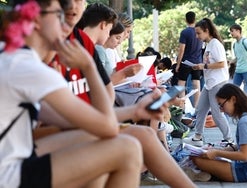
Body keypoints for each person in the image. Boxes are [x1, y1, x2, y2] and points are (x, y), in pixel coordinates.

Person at [47, 2, 196, 187]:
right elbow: (64, 117)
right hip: (58, 134)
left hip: (80, 124)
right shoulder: (44, 51)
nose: (76, 5)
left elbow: (99, 105)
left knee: (142, 138)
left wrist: (135, 111)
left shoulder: (81, 41)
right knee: (128, 148)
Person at [0, 0, 145, 187]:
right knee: (128, 148)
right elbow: (107, 126)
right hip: (9, 175)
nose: (66, 23)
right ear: (36, 19)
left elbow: (74, 121)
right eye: (59, 15)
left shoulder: (11, 56)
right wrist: (89, 67)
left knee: (95, 146)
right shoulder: (30, 69)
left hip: (14, 159)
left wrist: (135, 111)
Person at [191, 83, 247, 182]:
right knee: (203, 156)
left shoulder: (245, 122)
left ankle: (204, 174)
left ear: (233, 99)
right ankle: (207, 174)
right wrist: (215, 149)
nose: (221, 110)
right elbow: (244, 146)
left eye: (221, 105)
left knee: (196, 159)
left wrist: (217, 153)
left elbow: (244, 155)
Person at [183, 18, 232, 147]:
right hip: (210, 83)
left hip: (217, 82)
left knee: (216, 113)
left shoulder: (215, 44)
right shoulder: (208, 44)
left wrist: (203, 66)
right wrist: (200, 66)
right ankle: (197, 137)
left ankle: (229, 139)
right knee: (200, 109)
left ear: (206, 31)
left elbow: (222, 63)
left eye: (199, 33)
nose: (197, 36)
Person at [175, 11, 203, 108]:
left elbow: (182, 49)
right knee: (196, 83)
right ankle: (196, 107)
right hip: (198, 61)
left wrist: (178, 64)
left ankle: (182, 107)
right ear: (195, 19)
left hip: (186, 62)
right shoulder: (199, 32)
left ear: (186, 20)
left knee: (181, 83)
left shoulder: (185, 32)